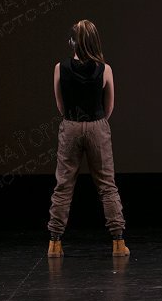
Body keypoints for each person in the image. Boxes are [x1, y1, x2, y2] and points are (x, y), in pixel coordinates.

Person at [47, 20, 129, 258]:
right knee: (107, 186)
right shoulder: (105, 69)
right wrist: (95, 122)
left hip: (70, 125)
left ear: (73, 42)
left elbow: (61, 105)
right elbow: (109, 106)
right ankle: (118, 242)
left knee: (63, 186)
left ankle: (54, 243)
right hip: (97, 126)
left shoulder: (59, 68)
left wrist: (75, 120)